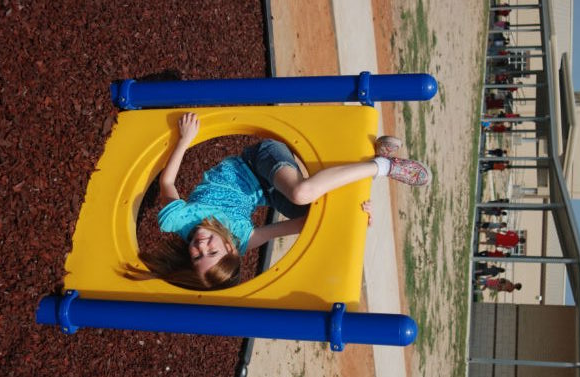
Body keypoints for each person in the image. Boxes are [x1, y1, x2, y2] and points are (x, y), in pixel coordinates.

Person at [125, 113, 431, 290]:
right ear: (230, 248)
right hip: (270, 191)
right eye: (212, 252)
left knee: (301, 193)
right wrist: (352, 215)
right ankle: (377, 162)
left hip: (258, 159)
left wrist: (185, 139)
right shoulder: (243, 240)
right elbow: (300, 226)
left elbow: (166, 182)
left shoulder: (179, 220)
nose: (202, 246)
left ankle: (385, 167)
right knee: (310, 205)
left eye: (197, 255)